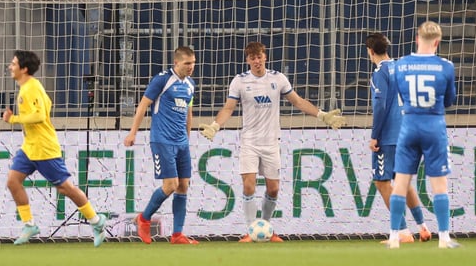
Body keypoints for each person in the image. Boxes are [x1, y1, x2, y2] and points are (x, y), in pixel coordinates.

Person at [200, 41, 345, 242]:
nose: (257, 61)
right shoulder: (240, 81)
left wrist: (322, 115)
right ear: (247, 60)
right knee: (249, 184)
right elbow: (228, 108)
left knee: (274, 188)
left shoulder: (278, 78)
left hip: (271, 142)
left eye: (259, 56)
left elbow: (298, 101)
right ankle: (251, 231)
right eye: (252, 57)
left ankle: (265, 228)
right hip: (250, 141)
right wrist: (215, 125)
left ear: (265, 57)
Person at [2, 50, 108, 246]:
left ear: (24, 69)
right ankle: (29, 224)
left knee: (65, 188)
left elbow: (40, 115)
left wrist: (13, 119)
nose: (10, 66)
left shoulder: (31, 88)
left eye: (14, 63)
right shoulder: (27, 87)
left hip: (44, 148)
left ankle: (96, 220)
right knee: (13, 181)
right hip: (29, 147)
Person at [388, 21, 459, 249]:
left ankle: (393, 237)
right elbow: (449, 100)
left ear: (417, 39)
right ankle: (444, 238)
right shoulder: (446, 67)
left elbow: (400, 93)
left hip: (409, 125)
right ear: (437, 42)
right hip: (434, 126)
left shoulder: (401, 65)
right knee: (439, 184)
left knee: (400, 183)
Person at [124, 46, 200, 245]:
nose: (191, 67)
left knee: (183, 186)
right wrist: (133, 132)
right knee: (171, 185)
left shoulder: (191, 84)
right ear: (176, 63)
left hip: (181, 142)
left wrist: (187, 137)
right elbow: (142, 105)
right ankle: (144, 218)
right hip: (162, 140)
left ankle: (177, 235)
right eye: (187, 63)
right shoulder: (162, 80)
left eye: (193, 63)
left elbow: (188, 113)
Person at [365, 33, 431, 244]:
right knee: (404, 181)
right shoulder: (402, 67)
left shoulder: (379, 72)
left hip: (390, 136)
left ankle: (402, 231)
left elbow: (381, 105)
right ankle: (423, 227)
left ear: (370, 51)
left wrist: (375, 136)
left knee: (382, 182)